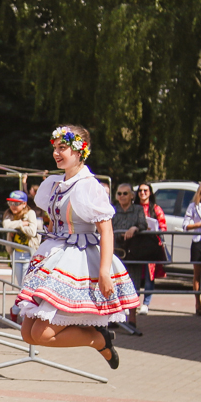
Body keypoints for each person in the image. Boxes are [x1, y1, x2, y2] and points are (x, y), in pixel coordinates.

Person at [16, 126, 139, 368]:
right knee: (27, 333)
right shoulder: (54, 182)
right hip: (54, 254)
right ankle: (97, 337)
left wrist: (104, 271)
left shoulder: (88, 185)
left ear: (80, 150)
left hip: (78, 259)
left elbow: (106, 230)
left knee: (42, 334)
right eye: (55, 148)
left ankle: (97, 339)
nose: (56, 153)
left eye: (63, 148)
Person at [111, 182, 148, 334]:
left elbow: (143, 224)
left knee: (133, 284)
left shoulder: (137, 209)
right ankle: (115, 317)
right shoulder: (113, 210)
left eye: (125, 193)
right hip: (116, 252)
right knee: (114, 284)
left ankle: (132, 318)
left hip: (133, 251)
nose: (122, 196)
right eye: (119, 194)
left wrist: (135, 228)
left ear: (131, 196)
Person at [135, 183, 167, 315]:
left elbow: (163, 227)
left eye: (145, 190)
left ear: (150, 193)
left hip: (151, 246)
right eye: (140, 190)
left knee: (150, 276)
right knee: (134, 274)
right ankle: (132, 302)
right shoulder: (134, 208)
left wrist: (153, 229)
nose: (143, 193)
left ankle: (146, 303)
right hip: (136, 246)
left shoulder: (156, 209)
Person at [2, 190, 40, 287]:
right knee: (19, 283)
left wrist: (16, 227)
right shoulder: (9, 213)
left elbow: (32, 231)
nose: (13, 206)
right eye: (10, 203)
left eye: (16, 203)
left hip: (28, 252)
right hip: (15, 252)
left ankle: (26, 301)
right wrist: (22, 223)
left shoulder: (30, 213)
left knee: (26, 282)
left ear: (24, 204)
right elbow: (6, 225)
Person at [183, 184, 201, 316]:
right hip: (198, 242)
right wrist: (199, 224)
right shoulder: (193, 206)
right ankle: (198, 303)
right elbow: (185, 225)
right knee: (197, 275)